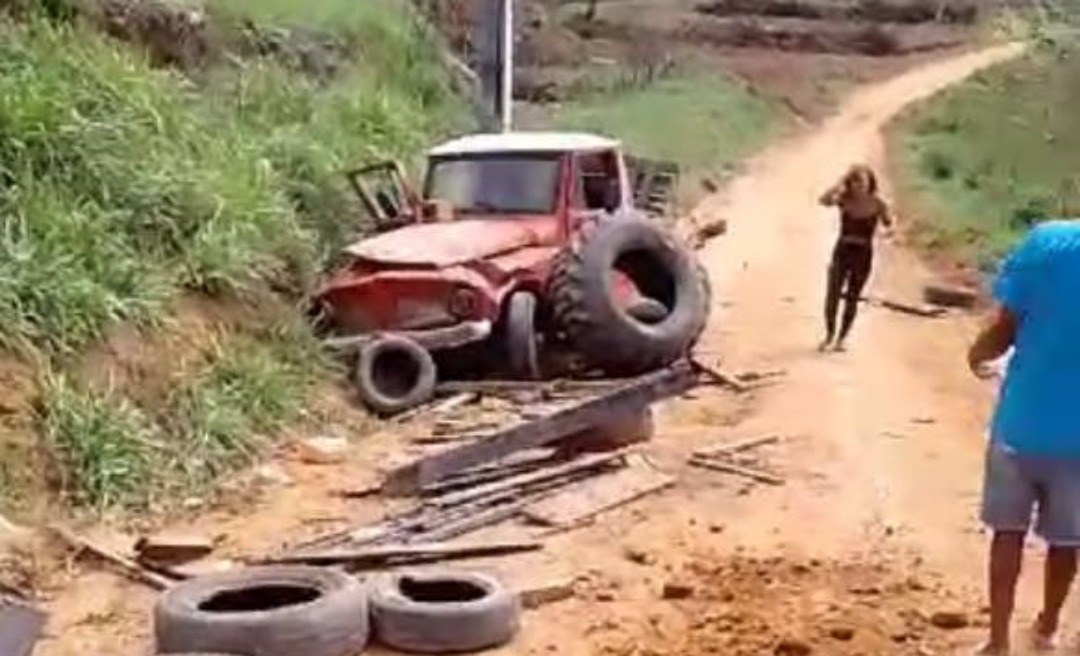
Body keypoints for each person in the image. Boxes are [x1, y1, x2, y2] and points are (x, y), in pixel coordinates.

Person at [968, 219, 1080, 655]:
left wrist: (977, 352)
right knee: (1068, 539)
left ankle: (997, 641)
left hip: (1021, 426)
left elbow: (1004, 330)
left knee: (1007, 534)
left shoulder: (1046, 242)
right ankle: (1048, 628)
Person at [817, 164, 894, 352]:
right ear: (850, 183)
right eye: (855, 181)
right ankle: (829, 334)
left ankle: (842, 338)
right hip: (843, 250)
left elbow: (889, 224)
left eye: (862, 182)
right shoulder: (844, 200)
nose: (859, 186)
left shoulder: (877, 203)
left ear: (870, 183)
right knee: (833, 295)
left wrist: (889, 233)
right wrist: (839, 184)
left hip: (863, 254)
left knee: (852, 297)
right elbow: (823, 200)